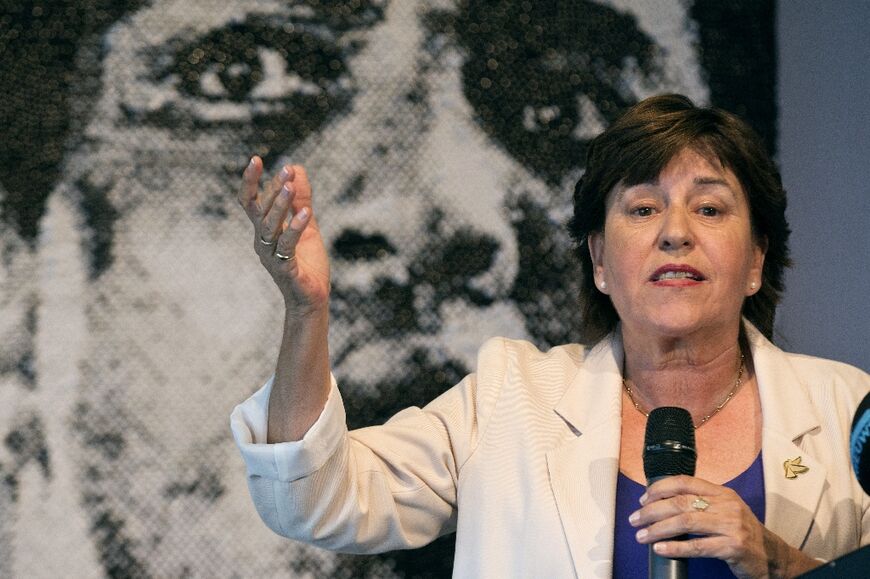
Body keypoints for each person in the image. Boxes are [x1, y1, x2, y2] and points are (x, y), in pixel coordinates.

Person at [232, 93, 870, 578]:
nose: (676, 233)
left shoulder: (848, 412)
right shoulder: (510, 400)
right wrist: (307, 311)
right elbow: (315, 501)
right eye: (643, 209)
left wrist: (781, 562)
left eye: (709, 208)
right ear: (599, 260)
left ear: (756, 259)